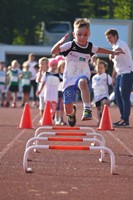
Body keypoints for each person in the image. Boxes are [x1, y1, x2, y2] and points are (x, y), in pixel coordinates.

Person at [51, 18, 124, 127]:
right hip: (69, 78)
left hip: (83, 74)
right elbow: (53, 52)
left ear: (89, 34)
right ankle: (71, 114)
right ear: (74, 34)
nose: (82, 37)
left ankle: (87, 109)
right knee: (68, 108)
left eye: (85, 35)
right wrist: (60, 42)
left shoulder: (89, 47)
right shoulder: (70, 45)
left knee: (82, 83)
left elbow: (99, 49)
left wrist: (113, 52)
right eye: (79, 34)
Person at [105, 28, 133, 127]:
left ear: (116, 36)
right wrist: (113, 77)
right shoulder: (113, 46)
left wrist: (112, 53)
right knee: (117, 96)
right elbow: (115, 66)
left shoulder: (121, 44)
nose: (108, 40)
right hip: (120, 74)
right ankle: (122, 118)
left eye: (110, 37)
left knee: (124, 96)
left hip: (127, 73)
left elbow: (119, 50)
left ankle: (125, 120)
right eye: (107, 38)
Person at [36, 57, 63, 124]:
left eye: (56, 65)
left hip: (54, 94)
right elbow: (43, 82)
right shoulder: (46, 74)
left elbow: (64, 82)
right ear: (50, 65)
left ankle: (50, 119)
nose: (55, 67)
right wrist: (39, 90)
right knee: (47, 107)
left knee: (53, 107)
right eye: (53, 65)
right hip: (47, 93)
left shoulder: (58, 75)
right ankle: (44, 119)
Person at [92, 60, 112, 125]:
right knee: (98, 109)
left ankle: (104, 117)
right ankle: (99, 120)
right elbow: (93, 87)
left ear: (104, 69)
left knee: (104, 103)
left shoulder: (106, 76)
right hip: (97, 95)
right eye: (98, 68)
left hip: (104, 94)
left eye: (101, 68)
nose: (100, 70)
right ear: (96, 68)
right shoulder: (94, 77)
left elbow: (111, 83)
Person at [36, 57, 49, 125]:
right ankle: (42, 118)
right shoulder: (39, 73)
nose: (42, 65)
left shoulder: (49, 72)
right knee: (42, 106)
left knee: (49, 106)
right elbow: (38, 80)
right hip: (41, 92)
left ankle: (49, 118)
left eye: (44, 64)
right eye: (41, 64)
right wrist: (40, 72)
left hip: (49, 91)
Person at [54, 59, 67, 125]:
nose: (64, 68)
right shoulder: (57, 75)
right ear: (59, 67)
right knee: (57, 105)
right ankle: (56, 118)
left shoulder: (67, 75)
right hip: (57, 91)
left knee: (62, 106)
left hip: (64, 91)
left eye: (65, 66)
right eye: (63, 66)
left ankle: (62, 119)